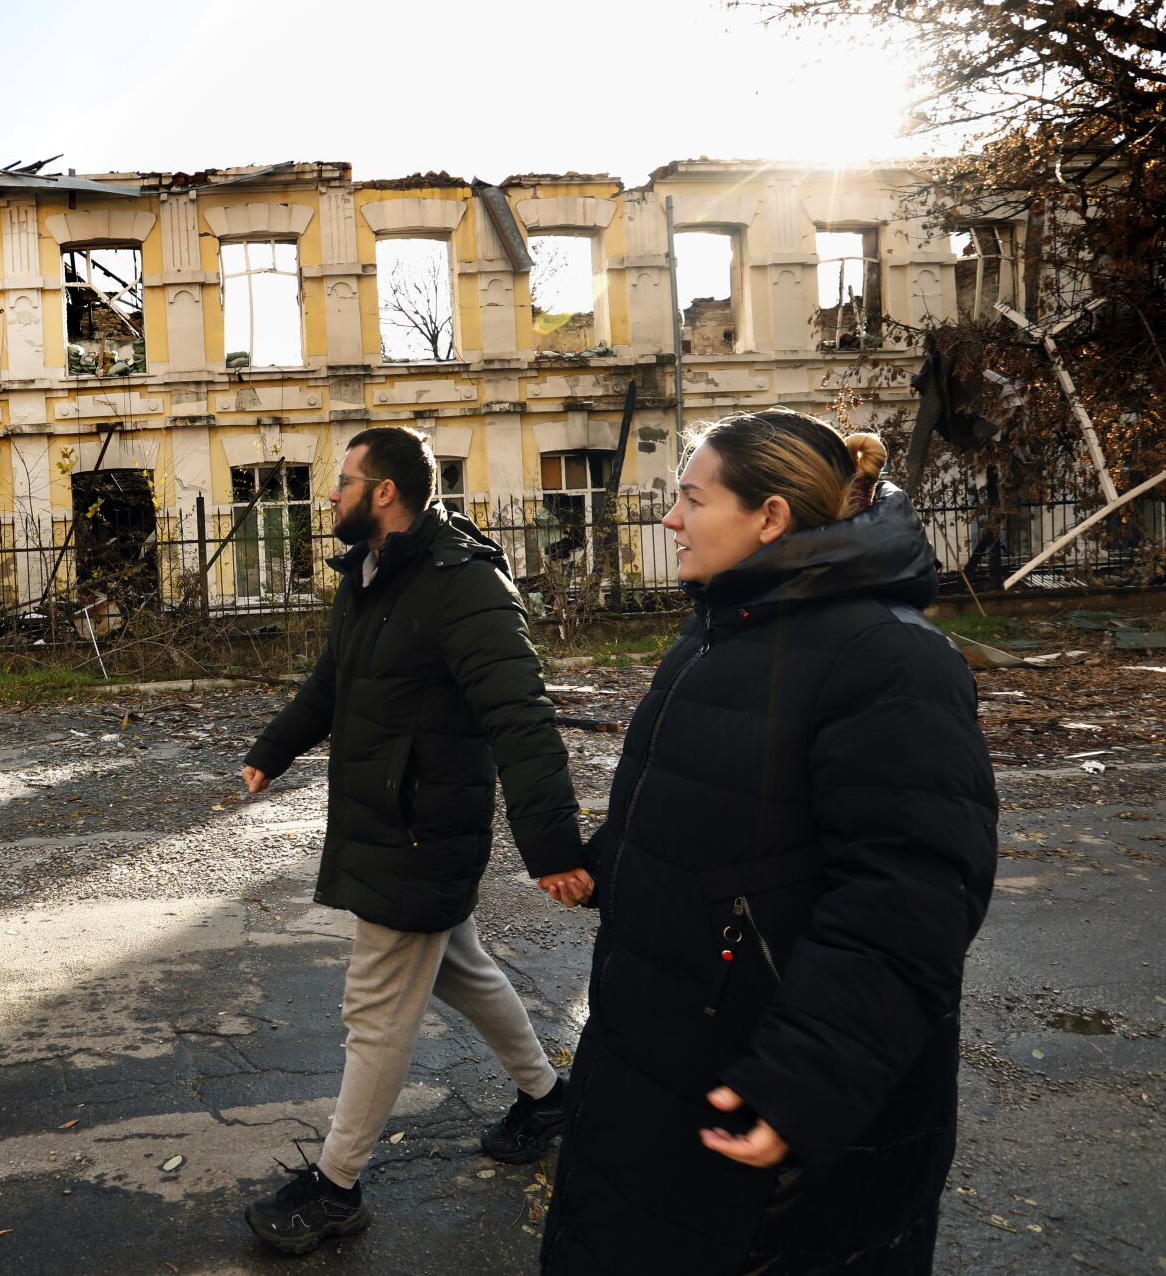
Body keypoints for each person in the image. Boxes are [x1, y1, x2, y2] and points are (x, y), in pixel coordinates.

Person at [542, 409, 998, 1274]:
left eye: (690, 499)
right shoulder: (719, 631)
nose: (670, 520)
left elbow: (912, 896)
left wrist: (804, 1079)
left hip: (773, 1104)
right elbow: (721, 810)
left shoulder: (889, 658)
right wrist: (608, 863)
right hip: (659, 1060)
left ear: (772, 517)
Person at [239, 425, 593, 1255]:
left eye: (343, 480)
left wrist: (554, 846)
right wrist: (272, 750)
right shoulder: (370, 574)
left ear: (385, 492)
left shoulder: (460, 585)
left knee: (375, 1011)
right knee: (461, 969)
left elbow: (519, 711)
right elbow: (334, 680)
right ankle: (547, 1096)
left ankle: (336, 1186)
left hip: (418, 833)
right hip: (392, 823)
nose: (331, 494)